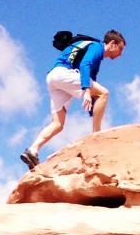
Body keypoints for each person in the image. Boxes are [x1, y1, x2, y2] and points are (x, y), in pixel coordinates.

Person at [21, 29, 126, 168]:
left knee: (58, 124)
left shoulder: (97, 58)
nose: (121, 54)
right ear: (112, 43)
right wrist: (87, 91)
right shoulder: (97, 47)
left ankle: (32, 150)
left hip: (53, 77)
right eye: (120, 48)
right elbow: (85, 65)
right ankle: (96, 134)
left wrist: (92, 107)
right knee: (104, 93)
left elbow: (90, 79)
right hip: (64, 73)